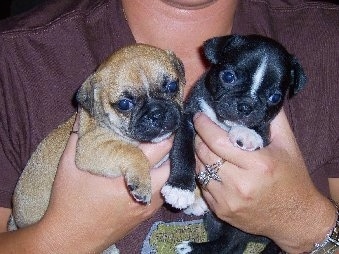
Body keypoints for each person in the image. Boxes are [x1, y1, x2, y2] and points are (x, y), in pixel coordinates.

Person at [0, 0, 338, 253]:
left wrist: (307, 222)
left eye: (170, 88)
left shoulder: (327, 37)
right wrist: (59, 240)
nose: (156, 113)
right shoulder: (14, 59)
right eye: (126, 103)